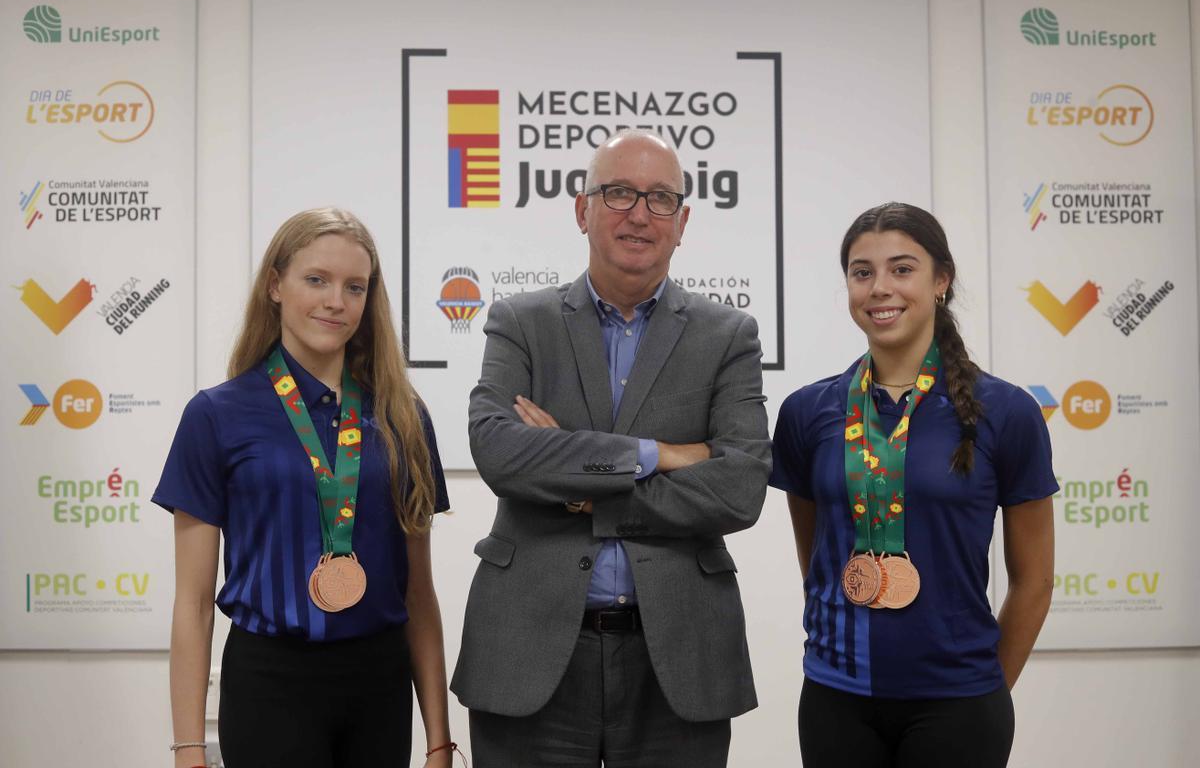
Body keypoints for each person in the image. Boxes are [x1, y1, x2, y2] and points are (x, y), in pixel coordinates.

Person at [451, 130, 771, 767]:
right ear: (582, 209)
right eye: (619, 192)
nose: (638, 213)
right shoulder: (520, 322)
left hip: (677, 658)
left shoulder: (728, 334)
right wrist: (661, 453)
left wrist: (575, 482)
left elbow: (741, 486)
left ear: (682, 224)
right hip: (529, 653)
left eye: (659, 200)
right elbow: (498, 452)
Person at [154, 208, 457, 768]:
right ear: (275, 285)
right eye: (315, 279)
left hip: (379, 687)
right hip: (270, 684)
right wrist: (188, 748)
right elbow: (193, 604)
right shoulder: (216, 415)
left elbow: (420, 595)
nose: (335, 301)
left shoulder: (404, 417)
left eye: (354, 287)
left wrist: (439, 739)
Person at [770, 202, 1056, 767]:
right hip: (835, 696)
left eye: (902, 269)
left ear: (941, 279)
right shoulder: (807, 411)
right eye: (861, 272)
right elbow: (819, 557)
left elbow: (1036, 581)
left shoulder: (1007, 411)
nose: (880, 288)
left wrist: (986, 687)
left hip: (958, 703)